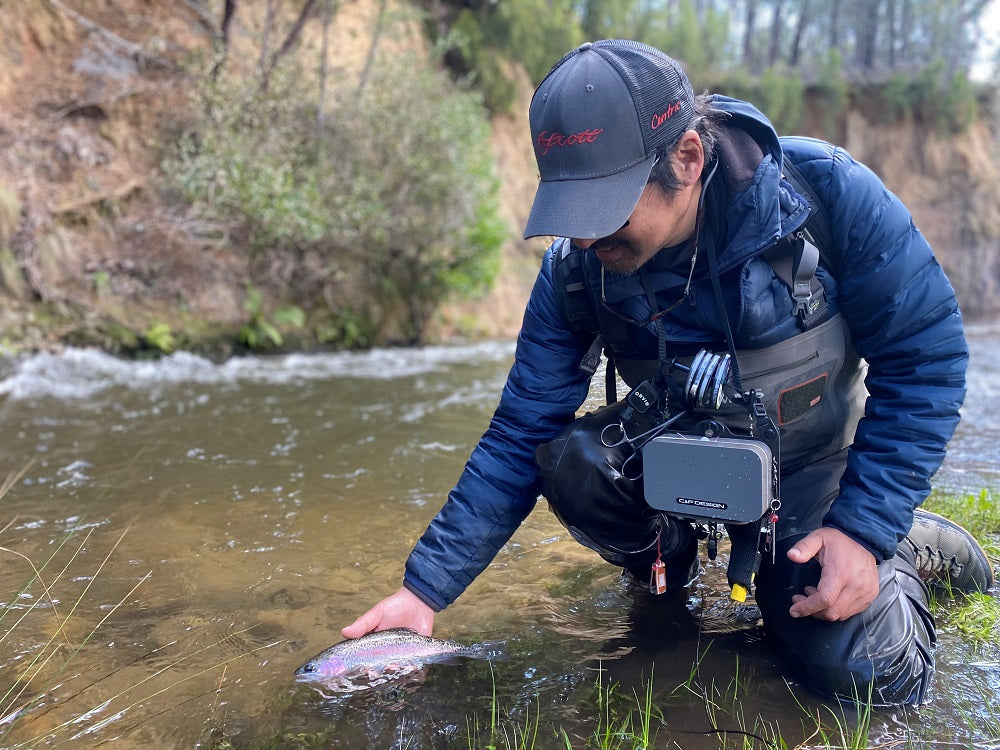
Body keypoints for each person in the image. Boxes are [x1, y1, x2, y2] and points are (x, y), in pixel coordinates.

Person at [343, 39, 993, 704]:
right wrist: (423, 593)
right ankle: (666, 573)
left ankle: (903, 542)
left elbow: (926, 362)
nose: (587, 239)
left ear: (687, 157)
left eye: (604, 210)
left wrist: (862, 528)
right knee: (569, 459)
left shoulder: (826, 194)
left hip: (807, 468)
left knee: (862, 672)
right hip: (667, 469)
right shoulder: (575, 270)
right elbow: (518, 432)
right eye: (573, 212)